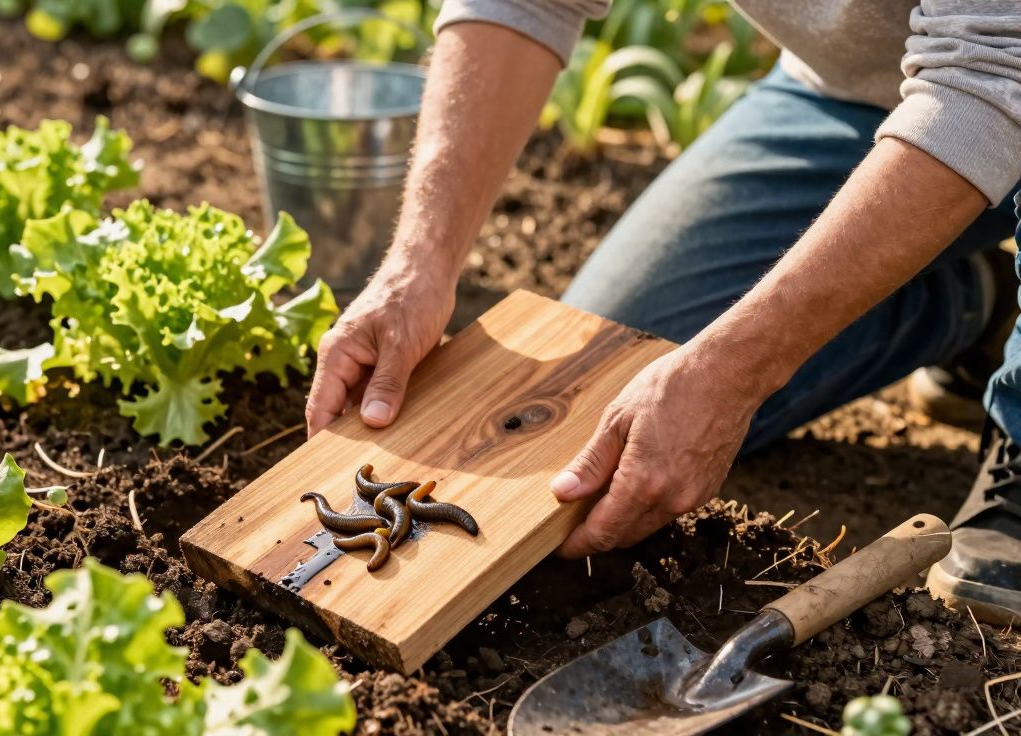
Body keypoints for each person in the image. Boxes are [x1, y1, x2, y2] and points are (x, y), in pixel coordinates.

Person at [304, 1, 1021, 622]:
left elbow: (994, 73)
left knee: (706, 382)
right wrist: (419, 260)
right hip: (854, 92)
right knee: (612, 402)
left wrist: (736, 367)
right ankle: (970, 299)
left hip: (995, 70)